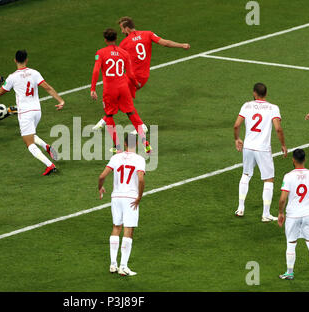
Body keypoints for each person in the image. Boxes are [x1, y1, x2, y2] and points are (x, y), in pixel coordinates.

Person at [92, 16, 190, 133]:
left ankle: (140, 126)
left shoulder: (124, 43)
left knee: (123, 99)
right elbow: (165, 43)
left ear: (127, 28)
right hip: (144, 75)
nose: (122, 32)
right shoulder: (148, 34)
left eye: (122, 29)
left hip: (133, 77)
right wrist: (182, 45)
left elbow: (117, 57)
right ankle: (104, 121)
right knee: (120, 98)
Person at [0, 50, 64, 176]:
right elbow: (47, 87)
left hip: (25, 113)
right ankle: (47, 147)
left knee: (29, 143)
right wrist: (60, 100)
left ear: (15, 60)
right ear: (26, 60)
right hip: (37, 111)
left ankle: (50, 165)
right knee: (30, 134)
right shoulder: (34, 73)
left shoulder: (12, 77)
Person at [91, 28, 152, 154]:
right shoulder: (124, 53)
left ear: (105, 40)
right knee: (131, 114)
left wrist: (93, 88)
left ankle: (118, 147)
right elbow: (129, 74)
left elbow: (96, 70)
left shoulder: (100, 53)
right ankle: (146, 144)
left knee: (109, 116)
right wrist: (136, 83)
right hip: (123, 88)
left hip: (110, 89)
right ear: (116, 39)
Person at [233, 82, 287, 222]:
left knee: (246, 174)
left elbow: (236, 125)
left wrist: (237, 138)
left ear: (254, 93)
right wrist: (283, 145)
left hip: (248, 147)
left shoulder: (246, 105)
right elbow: (278, 129)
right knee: (268, 179)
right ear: (266, 94)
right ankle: (265, 214)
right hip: (263, 148)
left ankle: (240, 208)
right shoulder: (273, 108)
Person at [98, 133, 146, 276]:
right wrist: (139, 197)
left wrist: (100, 188)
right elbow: (141, 180)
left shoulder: (115, 157)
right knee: (128, 230)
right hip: (130, 197)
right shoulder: (139, 159)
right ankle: (123, 266)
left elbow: (102, 176)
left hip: (116, 197)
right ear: (136, 144)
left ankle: (113, 264)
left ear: (124, 144)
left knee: (116, 227)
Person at [277, 149, 309, 283]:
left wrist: (281, 213)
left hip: (293, 216)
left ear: (293, 160)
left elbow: (282, 199)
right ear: (305, 159)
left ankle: (290, 272)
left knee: (291, 243)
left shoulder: (288, 176)